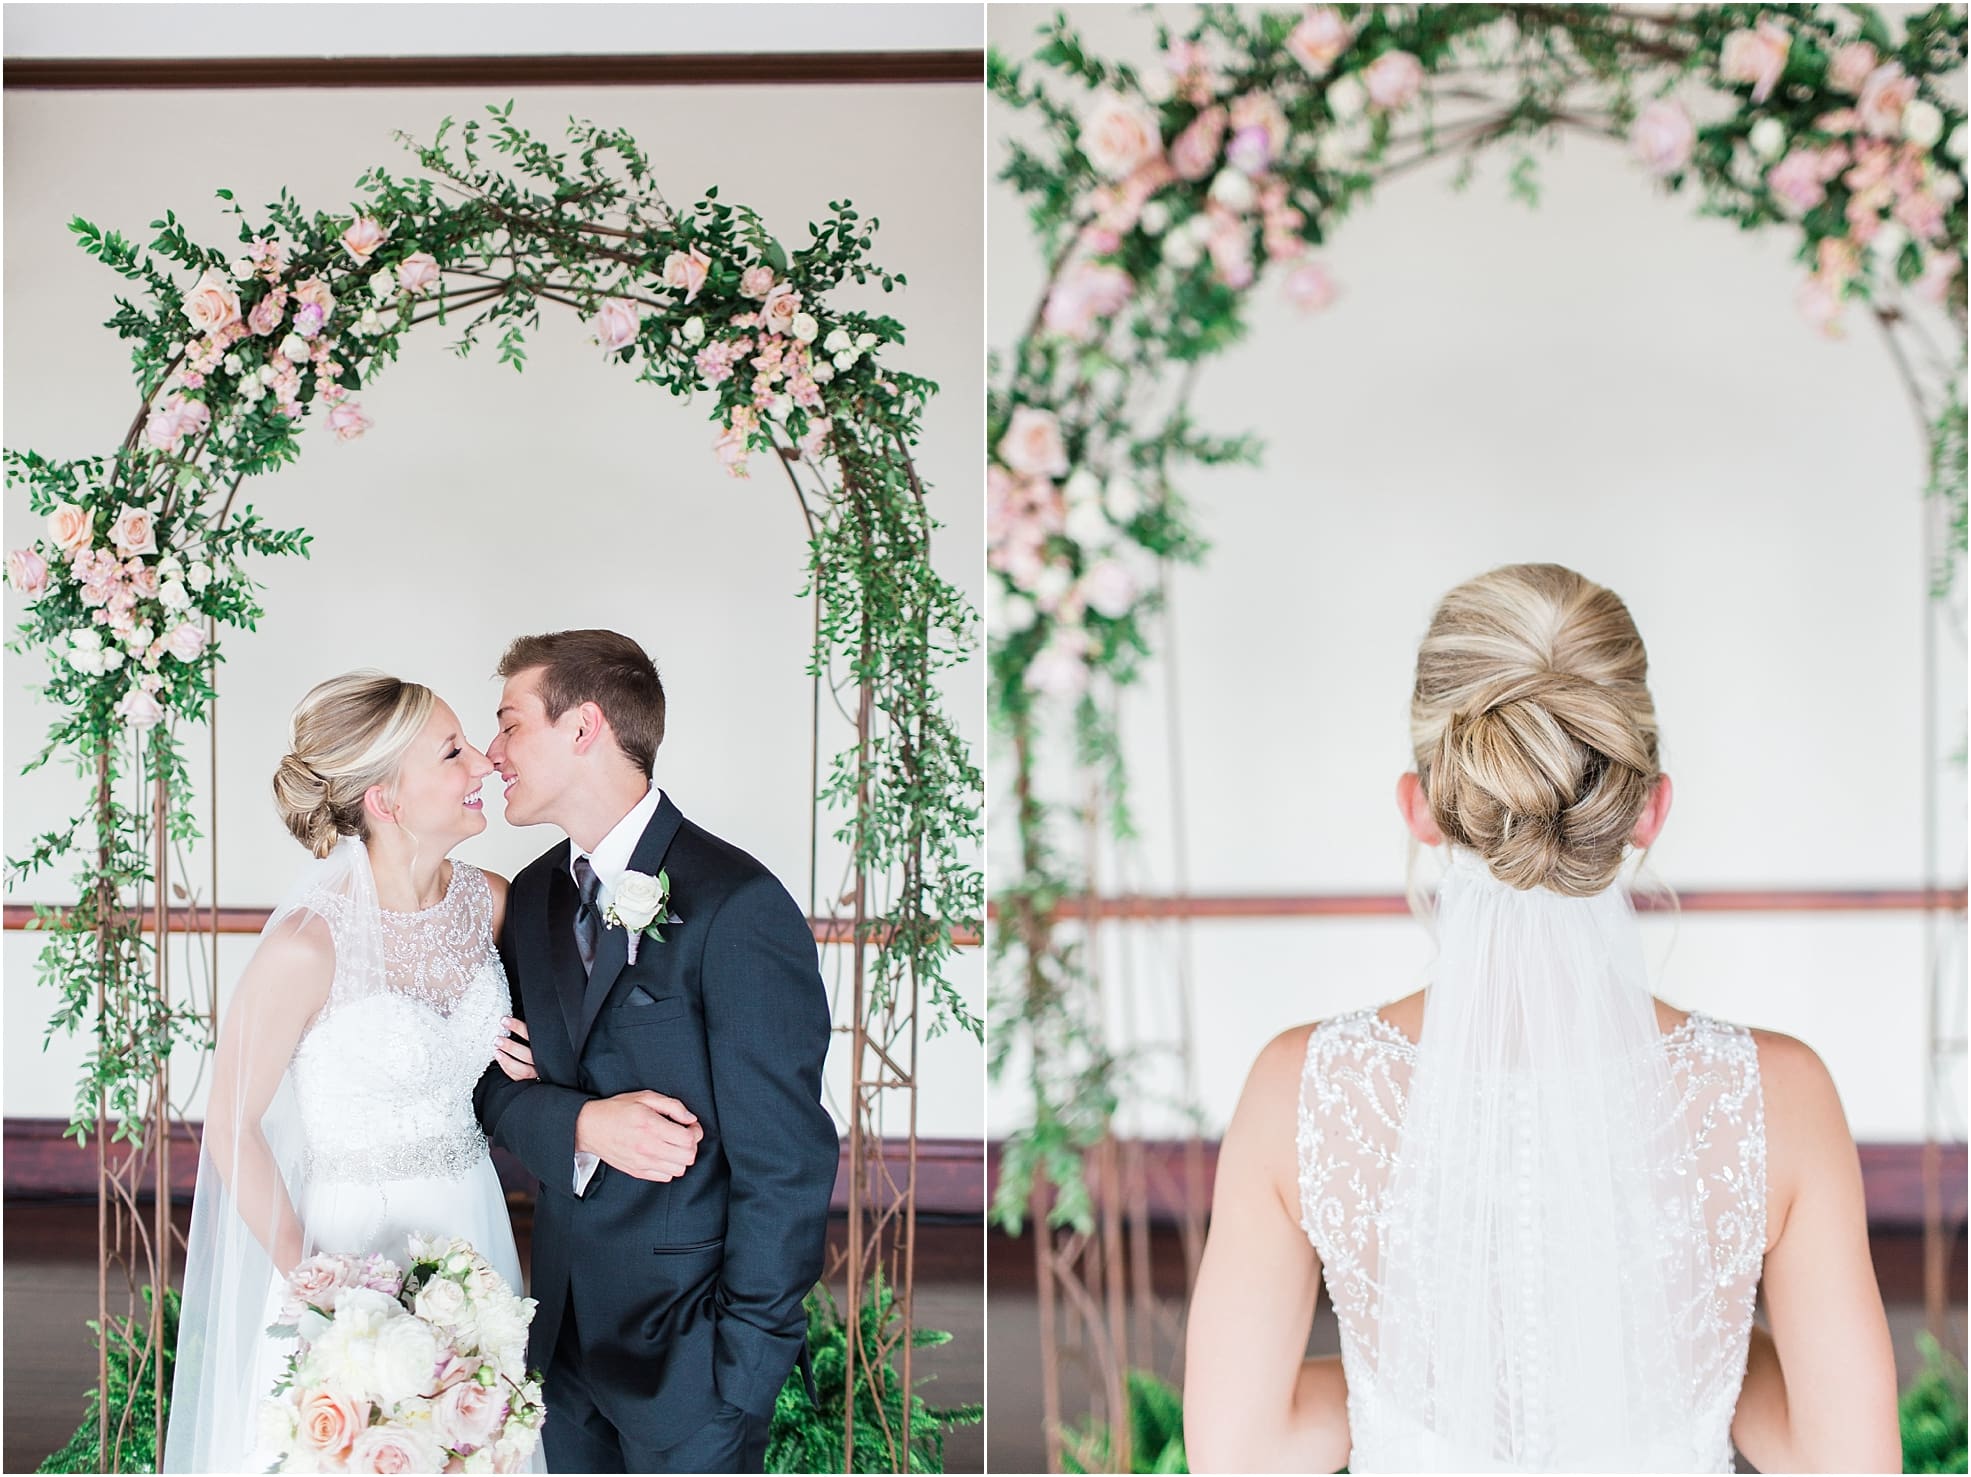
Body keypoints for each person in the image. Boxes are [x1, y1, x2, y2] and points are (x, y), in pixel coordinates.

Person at [1183, 563, 1901, 1473]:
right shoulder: (1782, 1095)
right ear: (1646, 810)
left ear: (1421, 810)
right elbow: (1849, 1462)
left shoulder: (1299, 1086)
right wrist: (1700, 1364)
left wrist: (1389, 1384)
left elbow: (1240, 1454)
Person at [474, 629, 838, 1474]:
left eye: (509, 724)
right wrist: (582, 1123)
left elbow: (785, 1164)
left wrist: (738, 1374)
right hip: (560, 1347)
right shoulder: (529, 898)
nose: (494, 754)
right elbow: (488, 1085)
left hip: (691, 1363)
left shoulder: (737, 906)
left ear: (584, 727)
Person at [166, 671, 535, 1471]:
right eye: (452, 751)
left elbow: (516, 1056)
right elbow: (233, 1123)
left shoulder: (492, 904)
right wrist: (319, 1286)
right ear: (386, 800)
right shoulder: (307, 944)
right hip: (345, 1244)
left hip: (471, 1224)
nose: (482, 762)